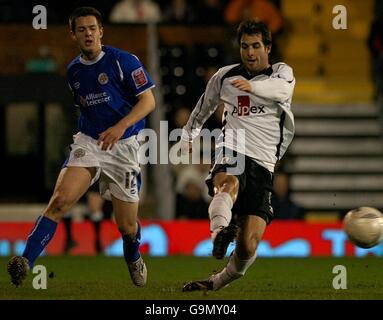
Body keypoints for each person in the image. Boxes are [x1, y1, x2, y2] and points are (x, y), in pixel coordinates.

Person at [7, 7, 156, 287]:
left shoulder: (123, 61)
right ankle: (25, 261)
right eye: (81, 29)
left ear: (101, 31)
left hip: (123, 146)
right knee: (60, 201)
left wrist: (120, 126)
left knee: (126, 226)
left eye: (92, 28)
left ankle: (133, 256)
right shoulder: (74, 70)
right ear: (73, 35)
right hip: (89, 142)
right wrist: (89, 137)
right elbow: (85, 107)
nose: (87, 33)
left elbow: (148, 102)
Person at [180, 19, 295, 291]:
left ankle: (215, 282)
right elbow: (203, 108)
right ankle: (220, 232)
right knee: (226, 184)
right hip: (232, 147)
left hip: (265, 162)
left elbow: (282, 90)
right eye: (245, 46)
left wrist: (252, 87)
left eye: (256, 46)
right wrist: (188, 134)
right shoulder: (224, 76)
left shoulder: (281, 73)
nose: (250, 52)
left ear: (268, 47)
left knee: (247, 246)